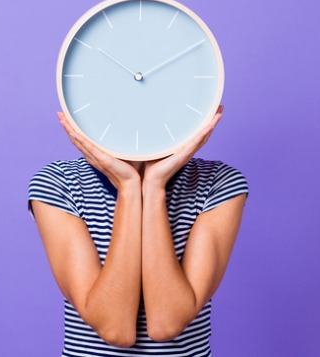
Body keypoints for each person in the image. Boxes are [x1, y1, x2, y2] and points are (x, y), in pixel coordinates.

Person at [27, 105, 248, 356]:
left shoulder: (219, 183)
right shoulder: (59, 184)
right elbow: (114, 329)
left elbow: (167, 325)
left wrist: (154, 186)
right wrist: (129, 188)